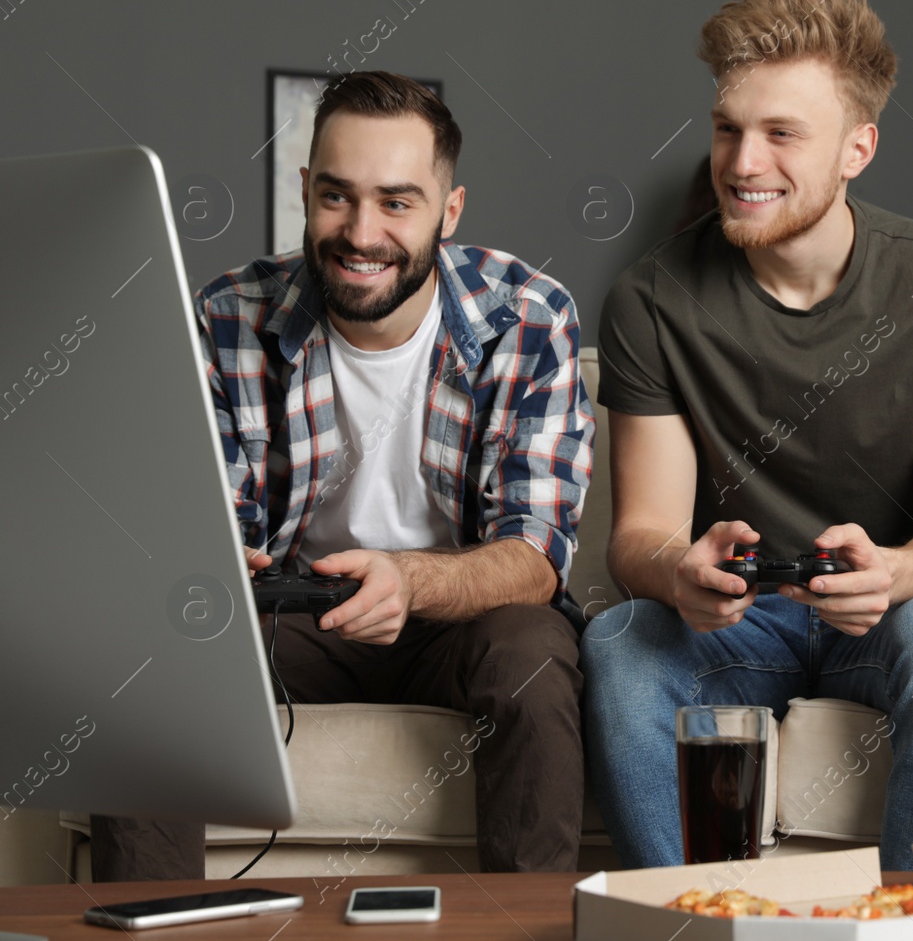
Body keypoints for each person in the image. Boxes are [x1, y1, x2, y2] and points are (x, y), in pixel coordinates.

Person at [91, 71, 593, 878]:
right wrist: (207, 562)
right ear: (304, 190)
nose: (361, 232)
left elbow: (534, 556)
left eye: (397, 201)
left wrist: (409, 580)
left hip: (463, 619)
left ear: (449, 211)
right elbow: (206, 522)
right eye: (336, 196)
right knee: (156, 646)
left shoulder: (530, 317)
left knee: (534, 651)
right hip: (298, 613)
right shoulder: (227, 316)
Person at [582, 0, 913, 871]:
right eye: (728, 128)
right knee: (620, 639)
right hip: (741, 618)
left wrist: (895, 570)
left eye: (782, 134)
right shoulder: (649, 300)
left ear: (859, 147)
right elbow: (639, 536)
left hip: (885, 614)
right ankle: (689, 928)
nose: (743, 163)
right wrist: (679, 569)